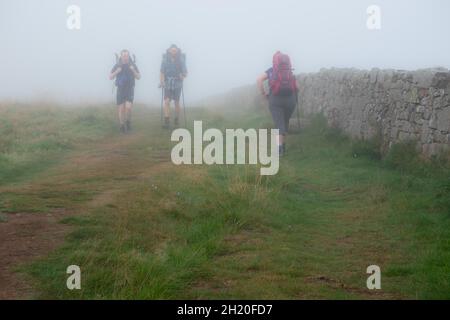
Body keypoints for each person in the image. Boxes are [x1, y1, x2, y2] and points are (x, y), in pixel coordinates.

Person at [257, 51, 298, 156]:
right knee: (285, 121)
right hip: (290, 99)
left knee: (279, 124)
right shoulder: (289, 71)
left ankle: (279, 149)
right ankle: (283, 146)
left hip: (275, 100)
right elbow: (297, 87)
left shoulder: (271, 71)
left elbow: (259, 79)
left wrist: (264, 94)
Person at [109, 49, 141, 133]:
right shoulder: (117, 65)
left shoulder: (132, 64)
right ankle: (122, 125)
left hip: (130, 88)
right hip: (120, 89)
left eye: (127, 55)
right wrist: (117, 71)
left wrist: (133, 70)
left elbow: (138, 77)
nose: (125, 57)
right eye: (124, 55)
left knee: (128, 108)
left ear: (129, 56)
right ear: (121, 56)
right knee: (121, 109)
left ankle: (128, 122)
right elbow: (110, 77)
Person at [160, 44, 187, 128]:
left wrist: (182, 76)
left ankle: (176, 118)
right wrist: (162, 81)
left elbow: (185, 73)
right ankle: (167, 121)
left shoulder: (181, 60)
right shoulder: (165, 60)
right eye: (172, 50)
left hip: (177, 83)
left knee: (176, 102)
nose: (173, 52)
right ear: (169, 50)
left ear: (177, 51)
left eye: (175, 51)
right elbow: (162, 72)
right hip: (167, 82)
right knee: (167, 101)